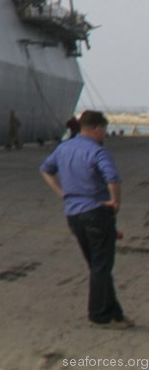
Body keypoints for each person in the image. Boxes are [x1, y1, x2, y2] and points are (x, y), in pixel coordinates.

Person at [40, 110, 127, 327]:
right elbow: (112, 178)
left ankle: (115, 313)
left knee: (97, 266)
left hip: (73, 214)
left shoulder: (64, 147)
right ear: (97, 129)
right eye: (104, 131)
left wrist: (62, 193)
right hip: (96, 212)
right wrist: (115, 202)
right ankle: (100, 315)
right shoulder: (98, 151)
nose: (105, 135)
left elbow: (45, 169)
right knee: (101, 265)